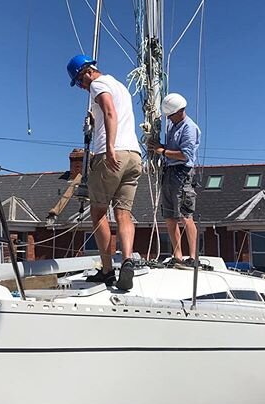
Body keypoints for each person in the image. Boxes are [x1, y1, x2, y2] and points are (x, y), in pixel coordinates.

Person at [67, 54, 142, 291]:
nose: (81, 87)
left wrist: (109, 147)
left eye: (80, 81)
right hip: (134, 155)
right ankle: (127, 260)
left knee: (98, 212)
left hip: (112, 154)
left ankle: (108, 270)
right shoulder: (119, 85)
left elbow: (110, 112)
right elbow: (108, 112)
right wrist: (95, 119)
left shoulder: (98, 85)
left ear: (86, 72)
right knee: (124, 214)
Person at [148, 93, 201, 267]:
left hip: (182, 173)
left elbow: (185, 155)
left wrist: (162, 151)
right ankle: (177, 256)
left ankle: (193, 257)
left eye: (170, 114)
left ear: (179, 111)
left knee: (185, 215)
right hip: (169, 172)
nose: (168, 118)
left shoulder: (189, 128)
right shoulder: (173, 126)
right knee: (170, 216)